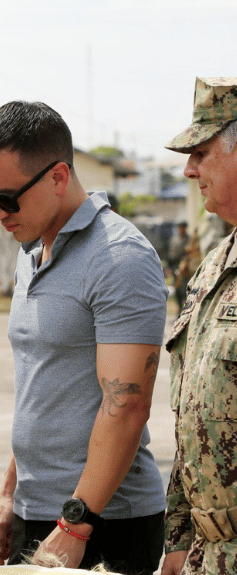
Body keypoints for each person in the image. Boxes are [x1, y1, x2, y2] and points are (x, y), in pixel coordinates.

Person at [0, 100, 167, 575]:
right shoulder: (31, 249)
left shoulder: (119, 258)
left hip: (105, 524)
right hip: (40, 512)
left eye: (7, 199)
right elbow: (43, 385)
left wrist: (77, 524)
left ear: (58, 177)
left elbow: (127, 406)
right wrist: (9, 493)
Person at [161, 77, 237, 575]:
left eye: (202, 153)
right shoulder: (213, 267)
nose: (189, 170)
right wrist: (178, 539)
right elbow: (192, 419)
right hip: (208, 556)